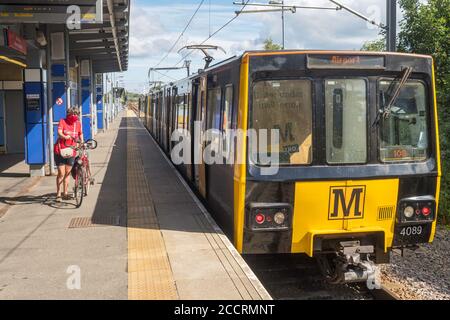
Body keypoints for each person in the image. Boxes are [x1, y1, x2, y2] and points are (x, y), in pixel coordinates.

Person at [54, 107, 83, 201]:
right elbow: (59, 132)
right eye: (72, 114)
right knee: (61, 173)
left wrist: (81, 142)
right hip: (60, 150)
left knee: (67, 173)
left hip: (71, 151)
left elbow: (80, 133)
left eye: (76, 114)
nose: (74, 116)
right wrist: (65, 137)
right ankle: (58, 194)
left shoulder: (78, 124)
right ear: (68, 114)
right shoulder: (62, 121)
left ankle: (65, 193)